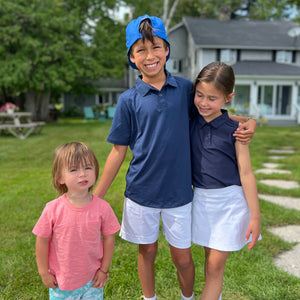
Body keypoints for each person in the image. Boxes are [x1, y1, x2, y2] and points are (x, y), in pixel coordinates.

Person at [93, 15, 256, 300]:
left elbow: (214, 110)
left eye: (156, 47)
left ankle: (187, 297)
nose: (150, 55)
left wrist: (250, 121)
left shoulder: (184, 91)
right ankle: (149, 298)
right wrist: (97, 198)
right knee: (147, 251)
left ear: (167, 49)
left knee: (182, 257)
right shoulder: (128, 101)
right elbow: (118, 151)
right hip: (140, 192)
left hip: (180, 194)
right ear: (132, 57)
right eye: (140, 50)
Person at [190, 62, 261, 300]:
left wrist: (255, 216)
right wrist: (253, 120)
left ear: (227, 97)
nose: (203, 103)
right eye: (199, 95)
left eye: (212, 98)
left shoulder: (236, 130)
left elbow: (246, 173)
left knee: (214, 268)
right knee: (209, 263)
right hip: (200, 201)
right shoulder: (191, 121)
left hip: (229, 204)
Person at [32, 142, 121, 300]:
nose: (82, 174)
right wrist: (43, 272)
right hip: (62, 282)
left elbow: (108, 238)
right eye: (74, 170)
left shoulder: (103, 208)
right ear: (60, 178)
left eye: (88, 168)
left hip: (93, 279)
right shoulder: (52, 209)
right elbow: (42, 241)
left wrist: (104, 270)